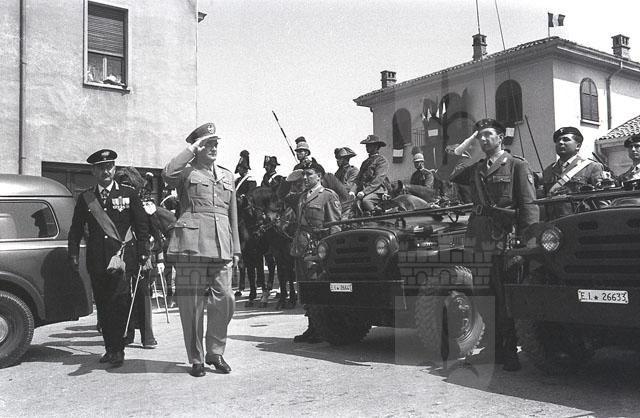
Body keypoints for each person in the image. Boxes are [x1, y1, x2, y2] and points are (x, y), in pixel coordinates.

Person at [451, 119, 539, 371]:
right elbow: (448, 173)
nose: (483, 139)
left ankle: (510, 350)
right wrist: (466, 144)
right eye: (479, 136)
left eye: (488, 134)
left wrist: (528, 240)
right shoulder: (476, 168)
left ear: (500, 137)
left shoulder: (516, 165)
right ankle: (493, 348)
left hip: (504, 238)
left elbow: (529, 205)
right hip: (479, 239)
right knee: (483, 296)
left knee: (504, 297)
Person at [162, 123, 241, 377]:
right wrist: (190, 150)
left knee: (226, 299)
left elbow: (232, 214)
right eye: (208, 144)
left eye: (216, 143)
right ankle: (196, 358)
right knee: (191, 305)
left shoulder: (227, 175)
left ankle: (215, 352)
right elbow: (167, 174)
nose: (214, 148)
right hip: (191, 244)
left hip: (222, 244)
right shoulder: (186, 171)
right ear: (198, 147)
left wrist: (236, 248)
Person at [68, 149, 149, 367]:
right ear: (94, 171)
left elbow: (142, 225)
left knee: (120, 302)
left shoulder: (128, 194)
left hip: (122, 259)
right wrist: (73, 253)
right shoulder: (86, 198)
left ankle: (119, 349)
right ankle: (109, 348)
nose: (106, 171)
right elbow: (76, 229)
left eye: (109, 167)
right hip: (97, 260)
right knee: (103, 305)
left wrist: (144, 252)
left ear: (114, 169)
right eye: (101, 168)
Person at [289, 163, 342, 343]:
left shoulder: (328, 195)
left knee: (317, 288)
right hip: (301, 246)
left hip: (317, 247)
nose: (305, 178)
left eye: (309, 174)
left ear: (319, 176)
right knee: (305, 288)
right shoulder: (302, 196)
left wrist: (330, 252)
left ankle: (320, 328)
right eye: (303, 174)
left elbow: (335, 225)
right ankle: (312, 327)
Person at [114, 166, 158, 349]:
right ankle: (127, 333)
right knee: (123, 294)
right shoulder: (115, 203)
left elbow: (153, 230)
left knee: (142, 294)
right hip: (121, 255)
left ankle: (147, 337)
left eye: (129, 184)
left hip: (140, 253)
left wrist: (152, 252)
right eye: (123, 184)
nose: (126, 187)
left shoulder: (144, 204)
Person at [541, 127, 605, 220]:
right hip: (554, 223)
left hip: (581, 222)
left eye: (566, 139)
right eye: (558, 140)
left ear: (578, 146)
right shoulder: (548, 171)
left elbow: (602, 200)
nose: (560, 142)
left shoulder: (591, 167)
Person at [350, 134, 389, 214]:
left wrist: (364, 192)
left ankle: (378, 217)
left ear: (376, 146)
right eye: (366, 145)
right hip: (363, 191)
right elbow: (358, 179)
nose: (367, 147)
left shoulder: (381, 161)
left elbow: (378, 179)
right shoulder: (365, 162)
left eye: (370, 145)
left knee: (366, 201)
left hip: (377, 191)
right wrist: (352, 191)